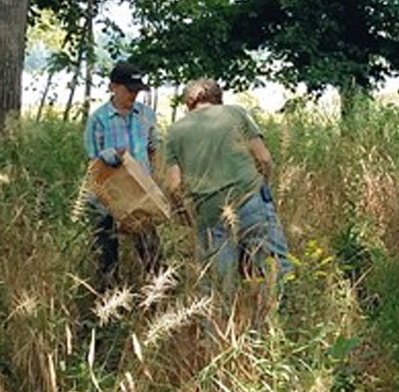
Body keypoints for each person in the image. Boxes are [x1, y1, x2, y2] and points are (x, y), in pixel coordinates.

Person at [163, 78, 292, 306]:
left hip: (209, 211)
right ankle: (279, 324)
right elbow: (264, 158)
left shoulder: (175, 131)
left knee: (217, 285)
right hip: (250, 198)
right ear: (218, 98)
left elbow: (173, 186)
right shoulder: (236, 114)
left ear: (188, 103)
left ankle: (218, 336)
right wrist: (264, 186)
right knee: (275, 268)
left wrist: (183, 214)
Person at [84, 61, 163, 292]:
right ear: (113, 87)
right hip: (107, 196)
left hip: (140, 195)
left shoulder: (146, 115)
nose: (134, 95)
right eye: (129, 90)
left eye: (137, 90)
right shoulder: (98, 119)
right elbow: (92, 164)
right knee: (106, 255)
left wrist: (153, 181)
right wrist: (103, 158)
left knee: (152, 252)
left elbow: (153, 149)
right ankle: (109, 302)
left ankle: (158, 296)